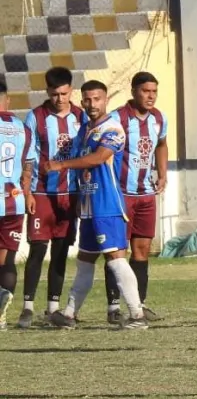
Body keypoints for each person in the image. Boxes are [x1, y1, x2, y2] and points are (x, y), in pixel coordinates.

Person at [47, 81, 147, 330]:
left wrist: (61, 165)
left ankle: (137, 315)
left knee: (115, 258)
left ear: (106, 100)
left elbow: (98, 158)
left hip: (108, 205)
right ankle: (69, 315)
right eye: (88, 100)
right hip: (89, 206)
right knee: (85, 260)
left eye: (97, 99)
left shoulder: (113, 128)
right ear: (82, 102)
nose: (92, 104)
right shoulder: (84, 131)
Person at [17, 67, 84, 328]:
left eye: (64, 93)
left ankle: (53, 308)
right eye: (55, 94)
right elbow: (28, 156)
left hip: (70, 194)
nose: (60, 99)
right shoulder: (36, 117)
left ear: (71, 90)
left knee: (60, 251)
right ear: (47, 92)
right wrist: (27, 192)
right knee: (37, 250)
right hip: (42, 193)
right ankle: (27, 307)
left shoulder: (80, 117)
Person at [103, 72, 170, 323]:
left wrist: (162, 173)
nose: (150, 96)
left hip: (145, 194)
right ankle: (113, 308)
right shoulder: (118, 117)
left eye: (154, 91)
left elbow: (162, 144)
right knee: (116, 250)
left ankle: (139, 305)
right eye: (145, 91)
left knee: (142, 249)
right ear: (134, 91)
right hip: (120, 194)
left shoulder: (159, 118)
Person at [0, 77, 36, 329]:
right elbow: (28, 167)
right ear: (8, 99)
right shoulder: (23, 128)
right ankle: (1, 311)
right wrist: (27, 193)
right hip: (14, 203)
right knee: (6, 260)